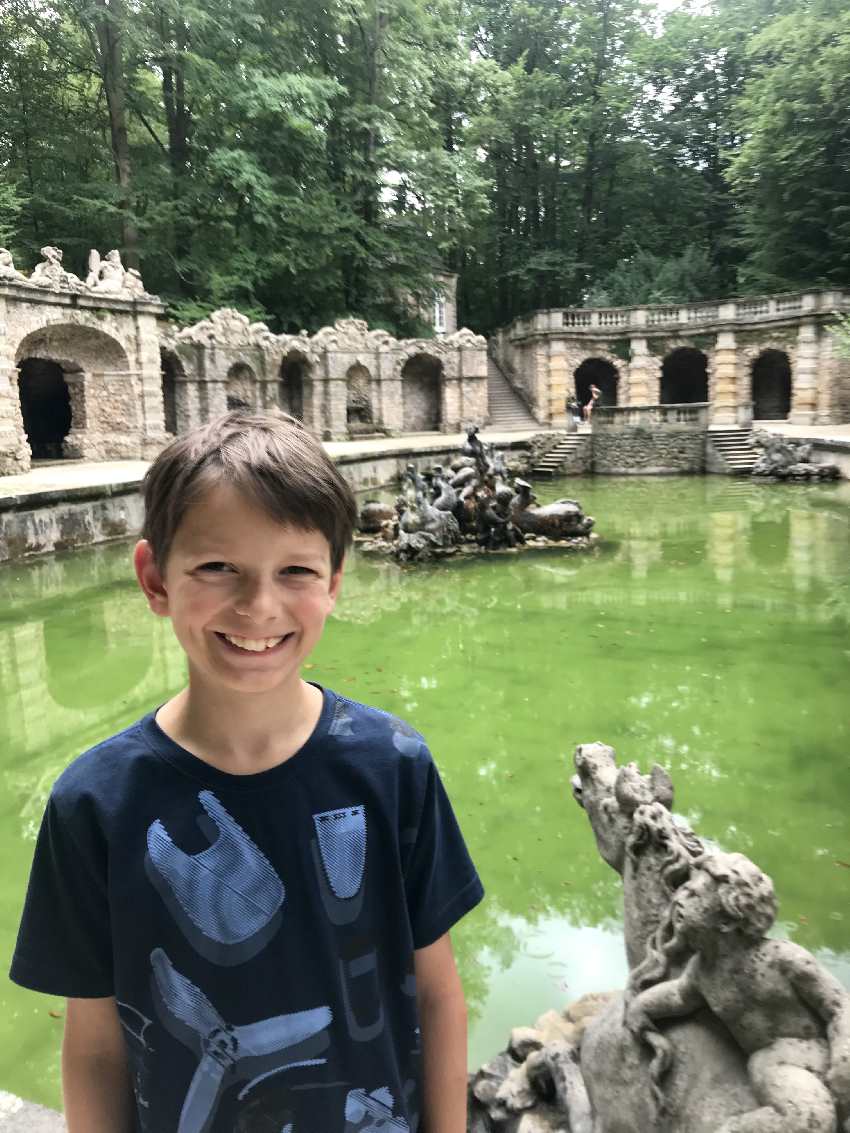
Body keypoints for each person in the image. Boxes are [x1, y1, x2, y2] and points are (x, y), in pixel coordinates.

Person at [10, 411, 484, 1133]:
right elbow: (97, 1042)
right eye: (216, 567)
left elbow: (439, 993)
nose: (258, 606)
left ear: (334, 582)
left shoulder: (393, 765)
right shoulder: (94, 801)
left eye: (295, 569)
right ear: (154, 578)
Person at [626, 852, 850, 1133]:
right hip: (778, 1064)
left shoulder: (783, 959)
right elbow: (680, 996)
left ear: (728, 920)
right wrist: (641, 1006)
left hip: (821, 1050)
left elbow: (839, 1006)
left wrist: (844, 1059)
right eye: (686, 890)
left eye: (695, 896)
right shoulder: (703, 970)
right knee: (808, 1117)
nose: (681, 898)